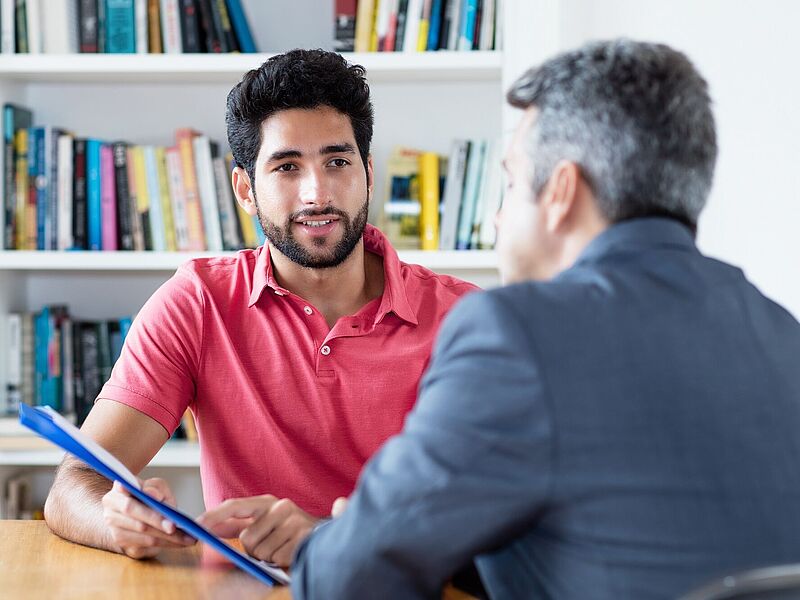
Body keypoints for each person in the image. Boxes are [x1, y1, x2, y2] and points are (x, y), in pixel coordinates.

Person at [290, 39, 800, 599]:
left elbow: (349, 580)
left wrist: (344, 534)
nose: (497, 215)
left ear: (561, 192)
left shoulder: (517, 333)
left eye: (510, 182)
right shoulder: (781, 333)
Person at [43, 49, 476, 566]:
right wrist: (119, 522)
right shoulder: (197, 302)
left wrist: (328, 535)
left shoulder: (464, 319)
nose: (316, 193)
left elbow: (500, 511)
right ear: (246, 189)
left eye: (337, 162)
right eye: (287, 167)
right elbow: (76, 483)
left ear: (367, 173)